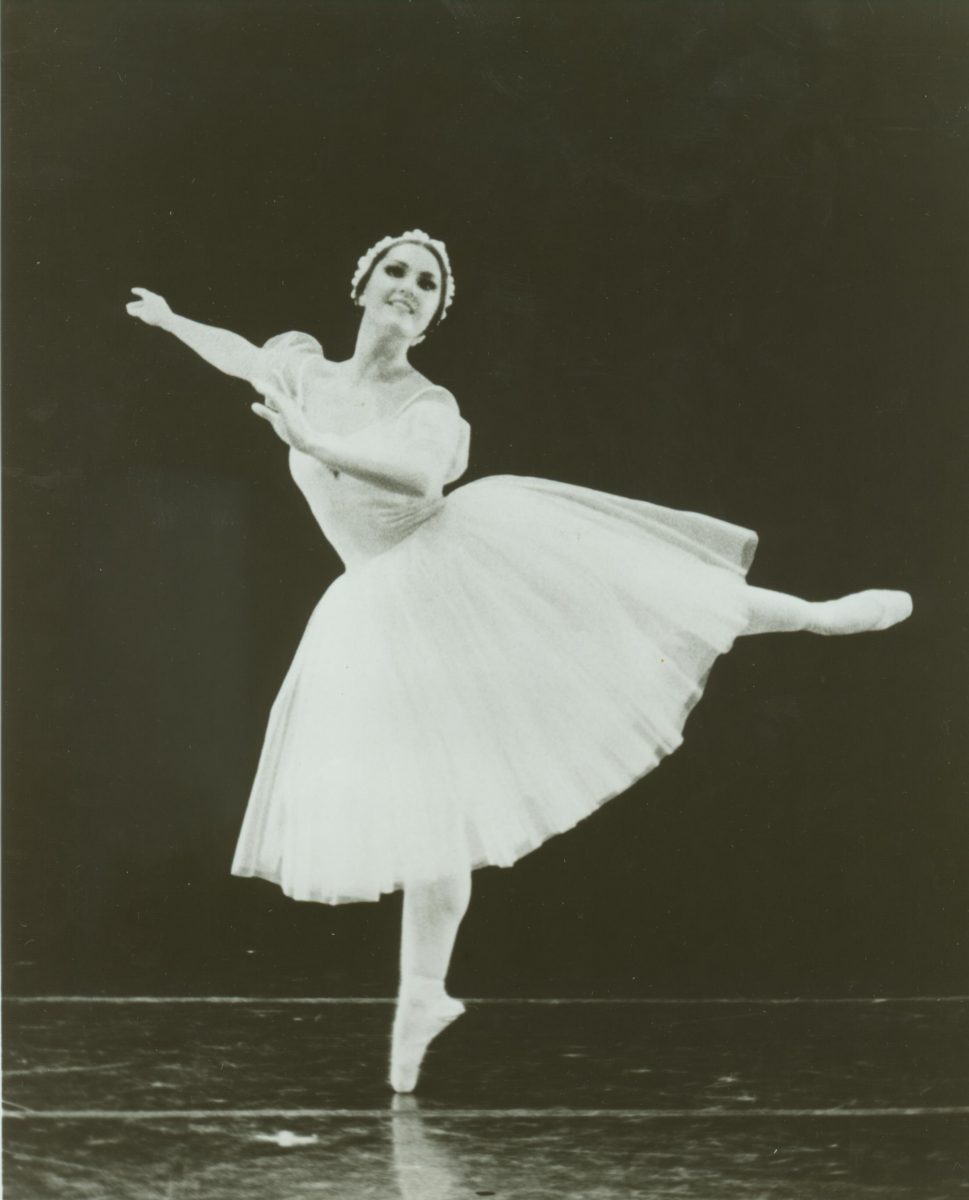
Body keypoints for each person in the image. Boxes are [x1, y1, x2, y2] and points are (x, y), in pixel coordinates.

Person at [126, 229, 912, 1093]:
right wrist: (171, 323)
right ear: (362, 285)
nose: (408, 286)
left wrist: (316, 445)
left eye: (426, 283)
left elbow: (419, 481)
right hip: (379, 608)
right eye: (396, 271)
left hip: (458, 564)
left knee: (633, 593)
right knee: (437, 808)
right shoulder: (303, 373)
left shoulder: (430, 404)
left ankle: (815, 616)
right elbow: (239, 355)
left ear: (430, 315)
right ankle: (421, 997)